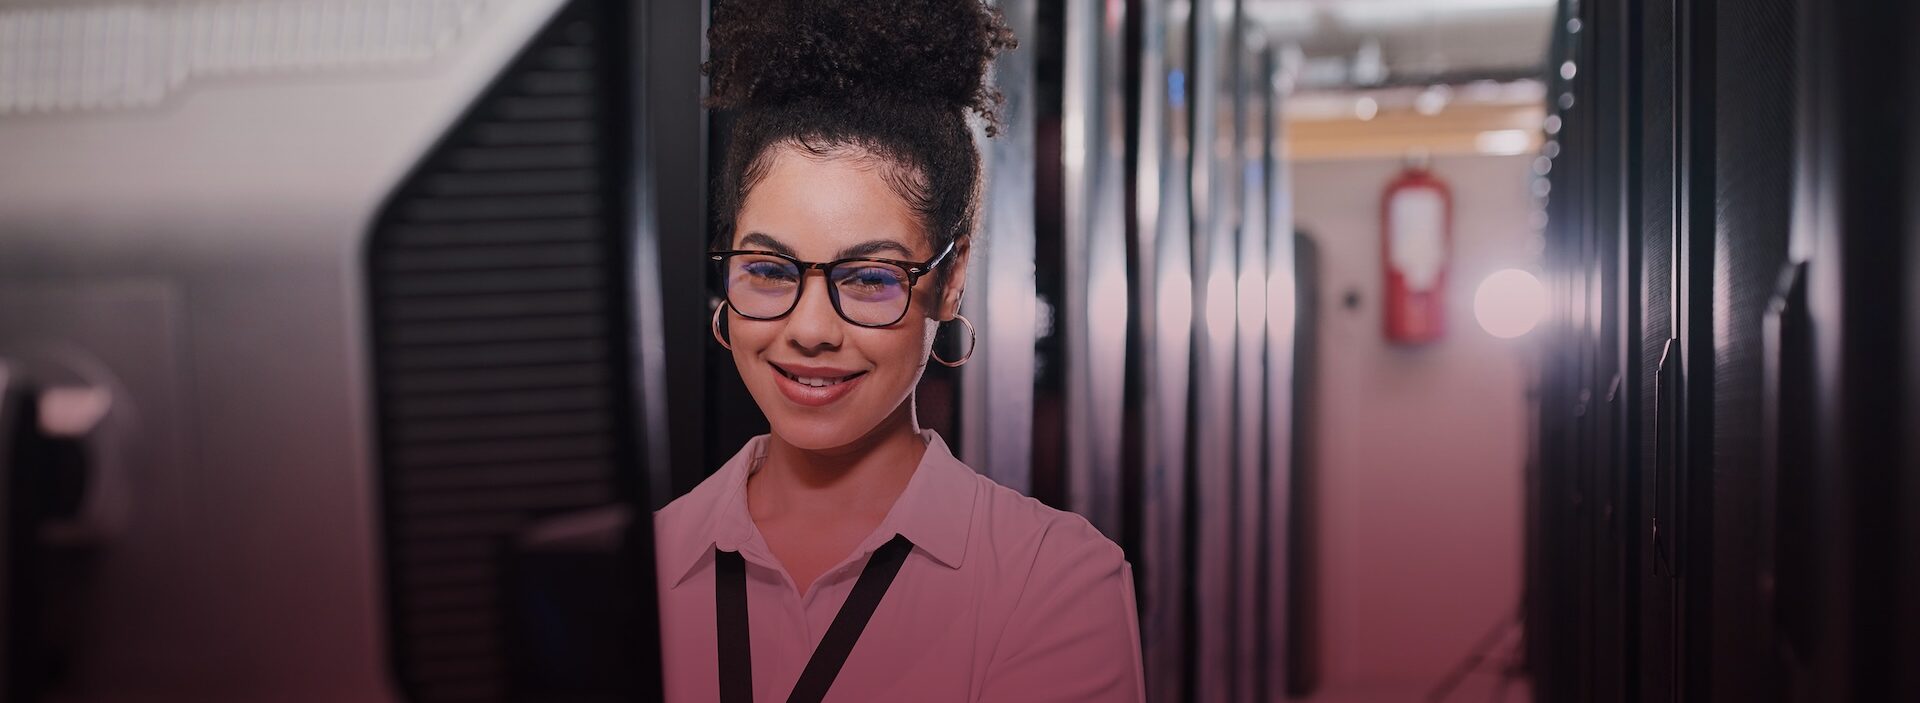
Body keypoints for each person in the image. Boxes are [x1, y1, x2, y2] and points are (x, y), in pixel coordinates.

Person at [651, 1, 1147, 701]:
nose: (812, 329)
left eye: (868, 277)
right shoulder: (642, 569)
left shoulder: (1054, 579)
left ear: (948, 283)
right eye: (768, 269)